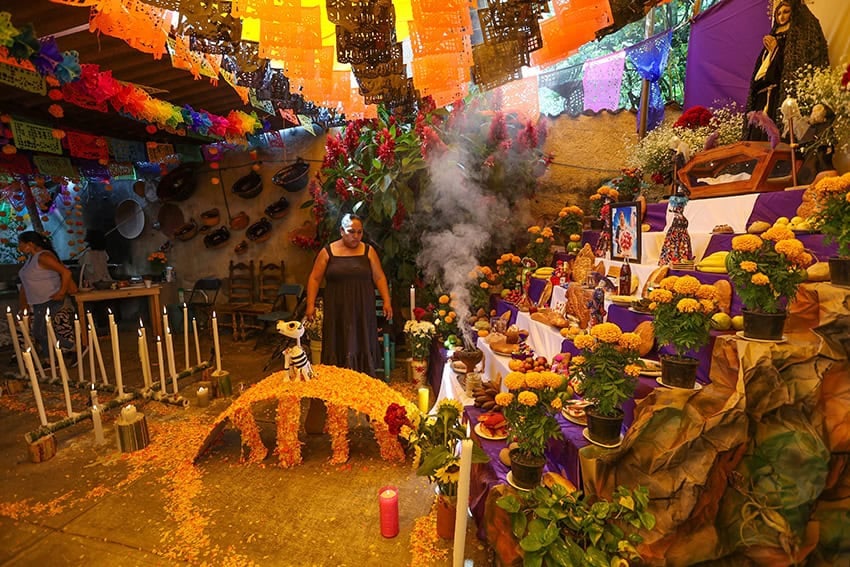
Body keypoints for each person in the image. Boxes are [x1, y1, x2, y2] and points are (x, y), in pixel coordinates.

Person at [305, 214, 393, 376]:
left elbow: (379, 277)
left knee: (362, 339)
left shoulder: (368, 251)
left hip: (362, 307)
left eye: (359, 232)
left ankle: (364, 378)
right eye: (351, 231)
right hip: (337, 307)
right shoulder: (327, 252)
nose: (356, 236)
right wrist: (310, 305)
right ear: (341, 231)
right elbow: (315, 278)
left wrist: (386, 301)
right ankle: (338, 379)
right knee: (338, 338)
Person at [744, 0, 828, 141]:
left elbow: (791, 64)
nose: (781, 16)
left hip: (778, 95)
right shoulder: (773, 34)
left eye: (786, 12)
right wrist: (769, 51)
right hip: (762, 95)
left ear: (793, 13)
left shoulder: (798, 35)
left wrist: (776, 49)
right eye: (779, 13)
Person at [17, 231, 78, 356]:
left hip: (48, 299)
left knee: (40, 332)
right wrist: (24, 303)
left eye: (21, 243)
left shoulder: (44, 257)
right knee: (41, 331)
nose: (19, 247)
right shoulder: (32, 259)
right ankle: (49, 357)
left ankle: (71, 346)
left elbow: (66, 272)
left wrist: (61, 292)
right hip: (38, 301)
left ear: (30, 244)